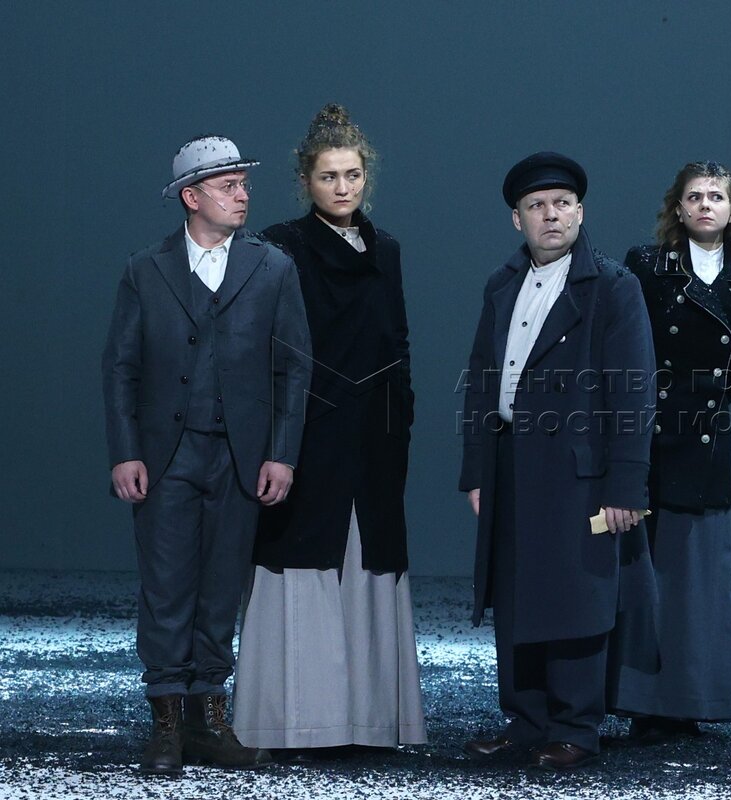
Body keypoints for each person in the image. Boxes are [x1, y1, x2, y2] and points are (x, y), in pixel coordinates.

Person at [101, 136, 310, 775]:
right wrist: (125, 452)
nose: (242, 196)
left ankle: (209, 718)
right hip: (166, 455)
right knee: (166, 587)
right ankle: (167, 721)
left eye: (243, 184)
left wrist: (282, 454)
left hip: (239, 456)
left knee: (221, 588)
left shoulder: (272, 268)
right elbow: (121, 367)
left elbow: (293, 368)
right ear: (191, 198)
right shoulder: (147, 268)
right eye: (228, 186)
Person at [233, 104, 426, 752]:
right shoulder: (280, 246)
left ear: (366, 175)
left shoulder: (385, 249)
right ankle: (293, 721)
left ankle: (366, 721)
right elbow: (265, 344)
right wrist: (278, 436)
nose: (343, 188)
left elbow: (396, 341)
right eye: (328, 176)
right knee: (300, 560)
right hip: (306, 435)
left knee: (368, 561)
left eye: (352, 175)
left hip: (374, 438)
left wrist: (400, 417)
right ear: (305, 182)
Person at [458, 152, 656, 770]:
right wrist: (476, 472)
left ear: (580, 212)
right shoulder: (501, 284)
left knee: (576, 596)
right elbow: (481, 382)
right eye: (537, 205)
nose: (551, 215)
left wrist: (626, 485)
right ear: (517, 218)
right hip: (511, 463)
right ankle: (527, 721)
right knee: (518, 593)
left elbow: (634, 391)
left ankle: (575, 727)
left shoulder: (613, 286)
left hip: (580, 471)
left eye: (562, 204)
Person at [611, 161, 731, 741]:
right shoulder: (645, 266)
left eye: (716, 196)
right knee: (646, 573)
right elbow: (626, 345)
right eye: (695, 196)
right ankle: (643, 705)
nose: (706, 204)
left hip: (705, 440)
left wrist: (702, 401)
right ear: (678, 208)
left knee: (697, 579)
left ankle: (690, 701)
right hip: (648, 435)